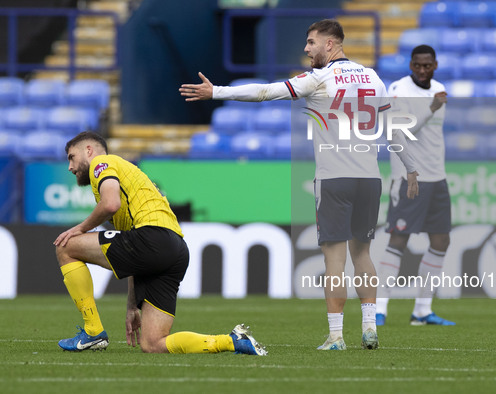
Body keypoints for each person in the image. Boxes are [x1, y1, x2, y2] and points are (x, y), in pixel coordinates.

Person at [179, 19, 419, 350]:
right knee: (362, 253)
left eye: (311, 43)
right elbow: (394, 127)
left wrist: (217, 91)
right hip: (369, 179)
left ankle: (336, 336)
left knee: (334, 259)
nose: (306, 49)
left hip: (334, 179)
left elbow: (265, 91)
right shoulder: (373, 77)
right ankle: (369, 327)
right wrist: (411, 170)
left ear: (330, 45)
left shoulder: (319, 78)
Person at [54, 131, 267, 355]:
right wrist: (131, 305)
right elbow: (133, 252)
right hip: (175, 248)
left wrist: (79, 228)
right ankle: (232, 341)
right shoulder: (131, 180)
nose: (70, 166)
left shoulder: (101, 162)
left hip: (152, 238)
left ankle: (93, 331)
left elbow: (110, 204)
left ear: (88, 150)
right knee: (153, 344)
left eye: (71, 157)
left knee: (65, 247)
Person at [375, 44, 455, 326]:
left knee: (441, 240)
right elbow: (400, 131)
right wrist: (431, 107)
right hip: (410, 177)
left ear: (435, 65)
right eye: (418, 66)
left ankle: (422, 310)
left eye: (427, 65)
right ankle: (379, 308)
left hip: (437, 177)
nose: (422, 70)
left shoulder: (440, 88)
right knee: (399, 239)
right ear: (411, 66)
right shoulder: (399, 90)